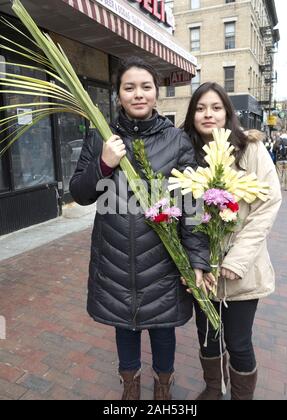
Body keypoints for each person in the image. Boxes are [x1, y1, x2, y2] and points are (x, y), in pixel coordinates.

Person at [69, 58, 211, 400]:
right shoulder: (99, 137)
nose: (138, 94)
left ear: (156, 94)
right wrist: (103, 164)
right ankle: (129, 385)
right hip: (115, 258)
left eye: (145, 87)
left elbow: (192, 208)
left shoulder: (176, 142)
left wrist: (198, 260)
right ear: (118, 95)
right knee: (126, 326)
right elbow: (80, 193)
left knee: (163, 329)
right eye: (129, 87)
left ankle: (164, 385)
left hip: (163, 259)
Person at [182, 82, 282, 400]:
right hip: (203, 270)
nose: (208, 114)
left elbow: (267, 206)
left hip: (241, 269)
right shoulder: (187, 154)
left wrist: (236, 259)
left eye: (215, 107)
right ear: (192, 114)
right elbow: (185, 214)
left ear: (227, 112)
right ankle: (213, 389)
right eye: (200, 108)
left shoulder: (250, 149)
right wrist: (192, 263)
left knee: (238, 342)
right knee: (208, 337)